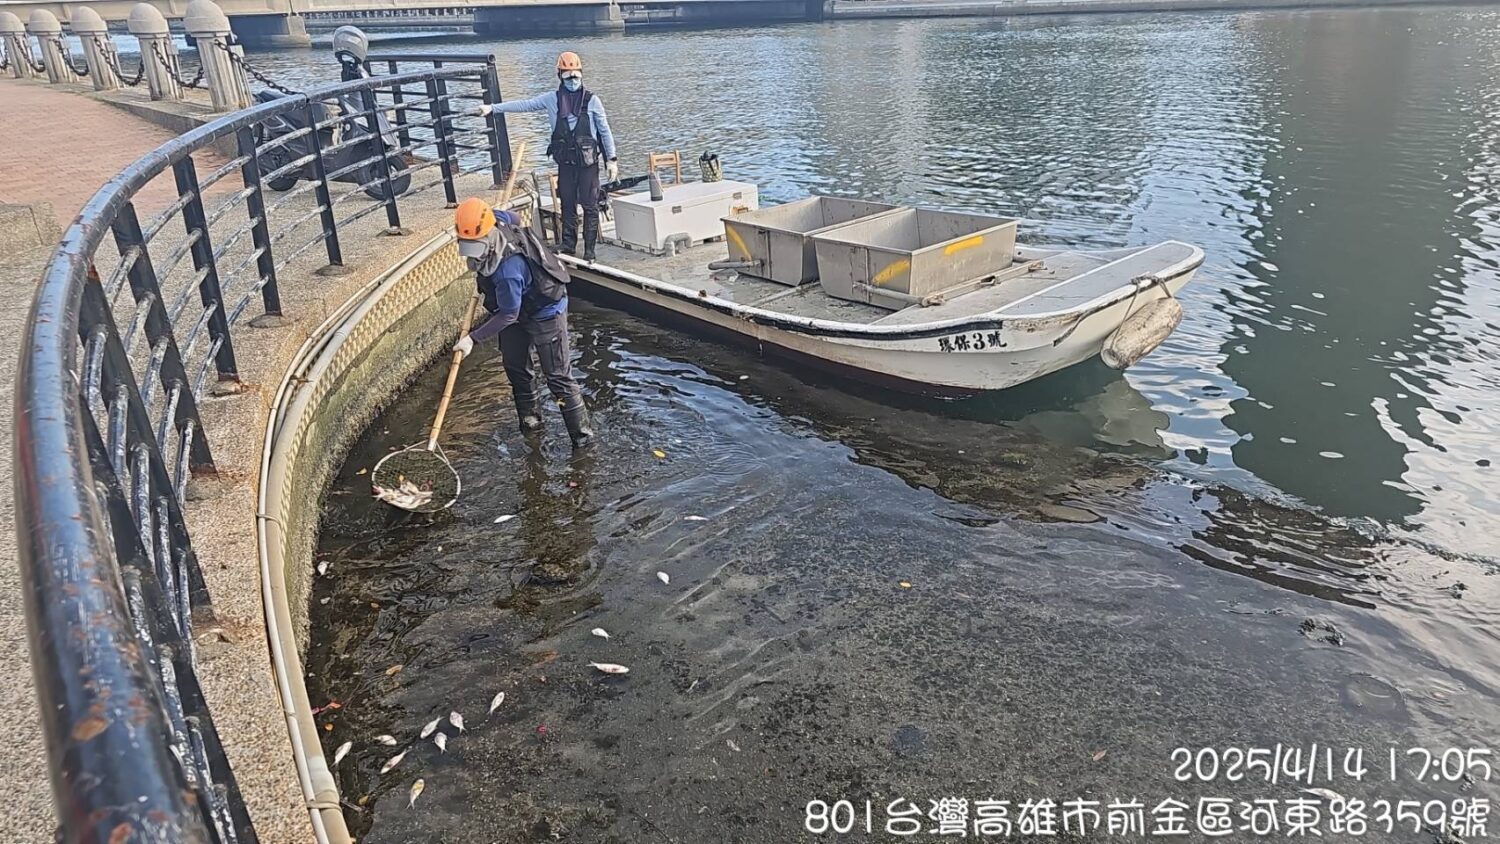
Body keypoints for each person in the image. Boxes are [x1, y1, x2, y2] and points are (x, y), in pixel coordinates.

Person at [451, 197, 594, 449]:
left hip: (544, 309)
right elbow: (514, 218)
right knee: (515, 367)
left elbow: (508, 315)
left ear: (489, 238)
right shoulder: (497, 218)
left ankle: (583, 440)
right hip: (514, 309)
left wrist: (472, 339)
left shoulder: (508, 272)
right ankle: (531, 421)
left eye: (477, 247)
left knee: (558, 377)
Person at [488, 51, 618, 261]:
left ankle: (590, 251)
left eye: (576, 76)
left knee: (590, 205)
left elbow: (605, 130)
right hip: (566, 162)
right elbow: (525, 105)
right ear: (560, 76)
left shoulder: (593, 101)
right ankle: (568, 245)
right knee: (567, 203)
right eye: (568, 77)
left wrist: (612, 160)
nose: (573, 81)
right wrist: (493, 108)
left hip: (588, 164)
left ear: (581, 75)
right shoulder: (552, 100)